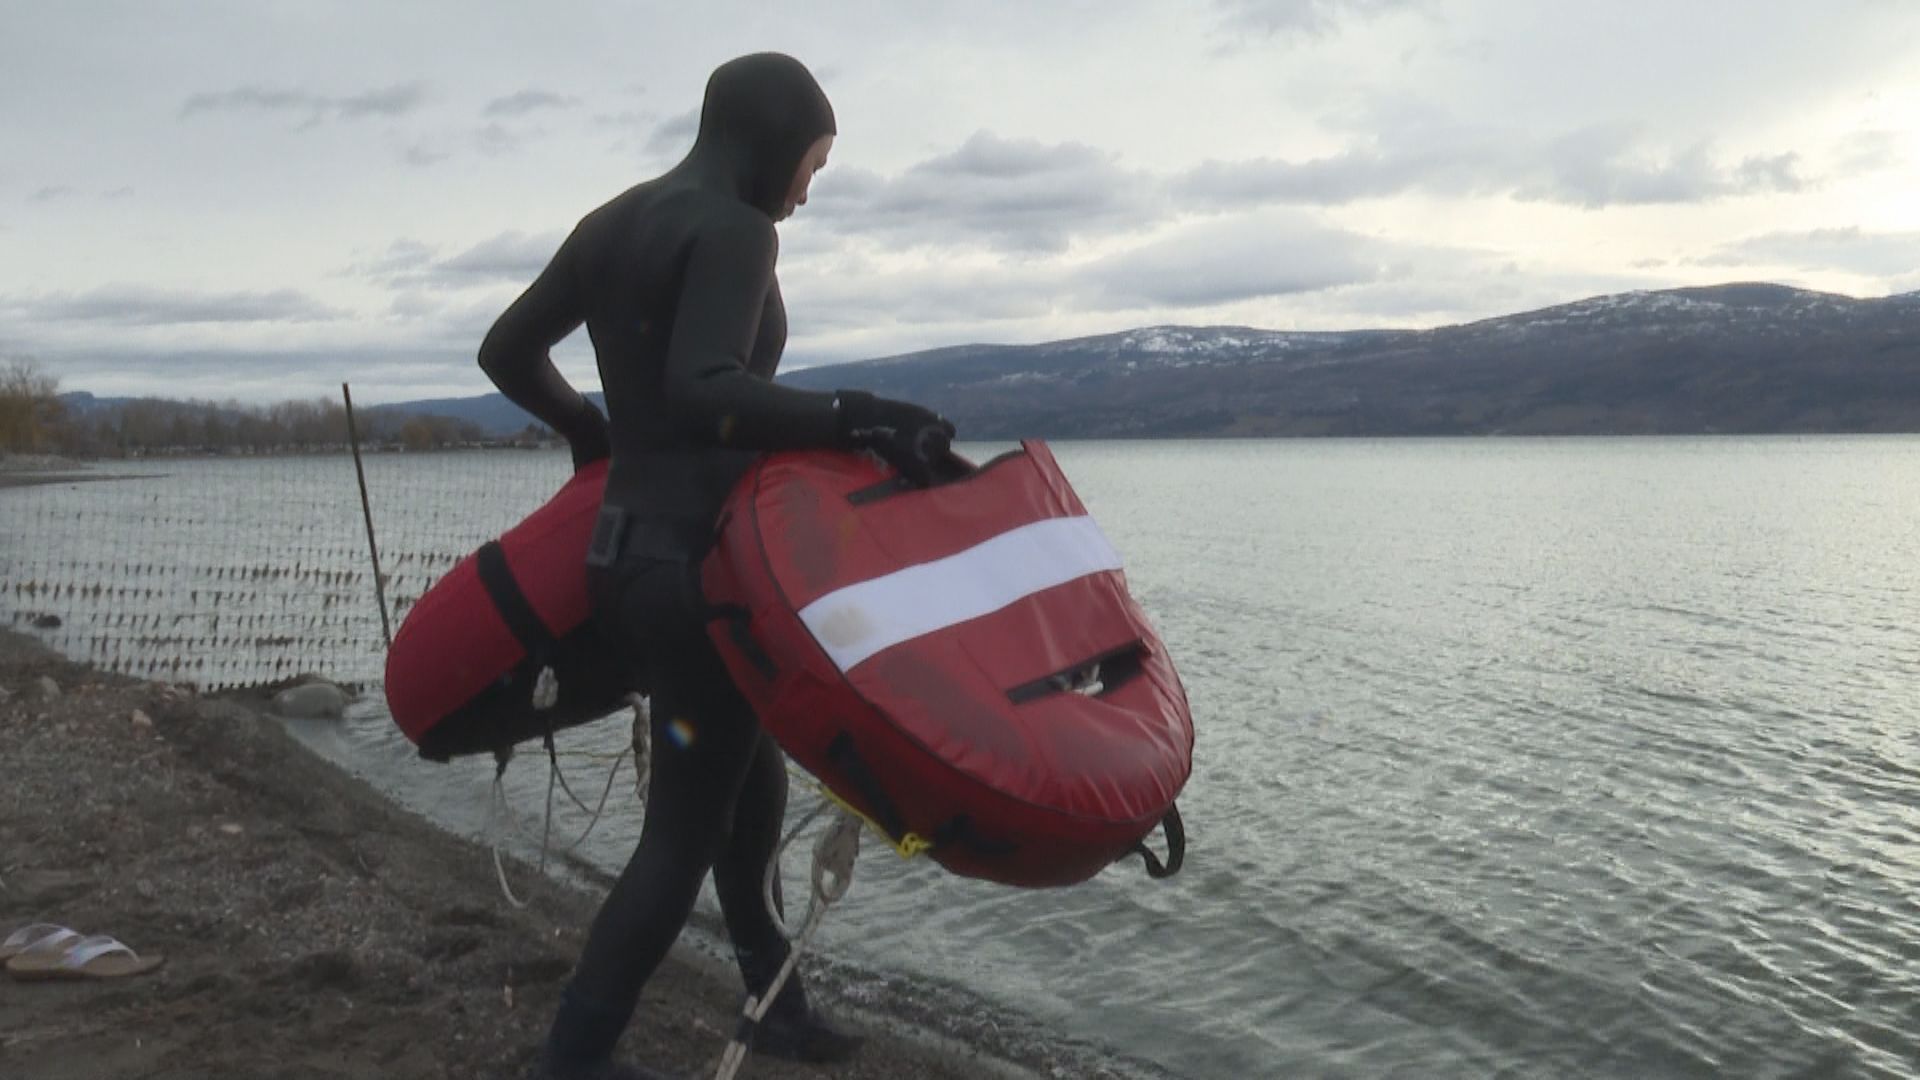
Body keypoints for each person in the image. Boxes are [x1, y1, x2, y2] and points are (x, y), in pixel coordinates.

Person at [476, 52, 956, 1080]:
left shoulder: (612, 223)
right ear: (767, 140)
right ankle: (573, 1059)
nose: (805, 193)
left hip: (623, 561)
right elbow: (705, 389)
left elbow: (505, 351)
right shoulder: (736, 230)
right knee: (681, 837)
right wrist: (861, 416)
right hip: (697, 573)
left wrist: (589, 430)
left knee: (749, 782)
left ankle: (775, 1000)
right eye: (810, 166)